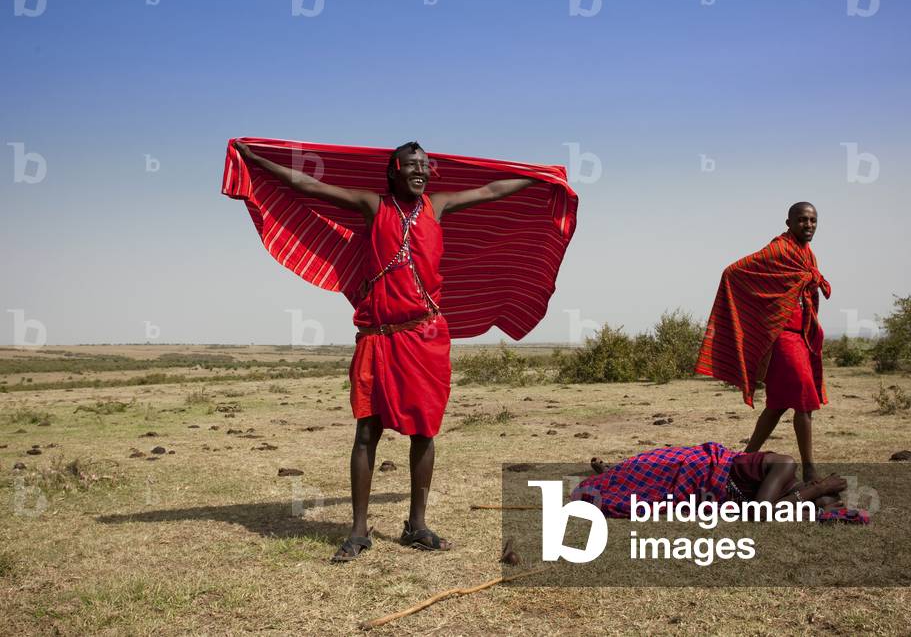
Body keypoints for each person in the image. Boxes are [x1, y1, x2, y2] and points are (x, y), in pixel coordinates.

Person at [233, 140, 537, 561]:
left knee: (424, 431)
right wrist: (258, 162)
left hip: (424, 338)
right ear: (394, 170)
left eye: (426, 166)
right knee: (366, 432)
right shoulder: (373, 206)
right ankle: (358, 531)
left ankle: (417, 524)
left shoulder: (439, 205)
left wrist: (541, 177)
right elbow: (309, 186)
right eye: (412, 165)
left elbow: (490, 191)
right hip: (379, 337)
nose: (421, 171)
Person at [695, 202, 830, 483]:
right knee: (805, 402)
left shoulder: (808, 255)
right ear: (789, 222)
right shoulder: (779, 249)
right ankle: (810, 470)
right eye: (803, 220)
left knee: (778, 404)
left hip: (801, 336)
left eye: (813, 220)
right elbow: (733, 271)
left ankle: (742, 461)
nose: (809, 225)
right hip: (783, 338)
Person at [573, 442, 847, 516]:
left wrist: (816, 497)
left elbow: (773, 509)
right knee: (644, 470)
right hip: (701, 467)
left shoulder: (785, 497)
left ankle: (614, 473)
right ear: (810, 485)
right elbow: (760, 513)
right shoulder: (785, 465)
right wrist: (819, 489)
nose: (803, 504)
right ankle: (614, 472)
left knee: (649, 495)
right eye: (810, 500)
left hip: (704, 488)